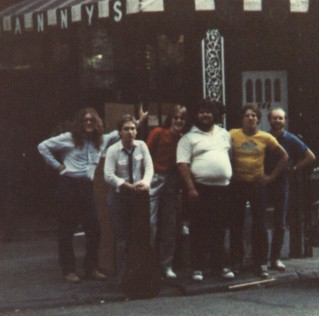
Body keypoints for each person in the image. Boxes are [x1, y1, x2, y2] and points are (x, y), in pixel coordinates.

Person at [38, 107, 121, 283]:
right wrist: (58, 166)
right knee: (66, 229)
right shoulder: (68, 138)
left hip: (87, 187)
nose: (89, 123)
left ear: (97, 122)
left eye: (92, 120)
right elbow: (43, 146)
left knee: (95, 229)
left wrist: (139, 121)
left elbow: (117, 133)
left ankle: (91, 268)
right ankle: (69, 270)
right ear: (80, 122)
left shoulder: (101, 140)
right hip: (69, 186)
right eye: (85, 120)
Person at [177, 99, 234, 282]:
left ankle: (220, 267)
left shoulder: (224, 134)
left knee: (220, 229)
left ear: (215, 114)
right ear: (196, 115)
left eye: (209, 112)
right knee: (199, 230)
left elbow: (229, 156)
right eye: (201, 112)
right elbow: (183, 165)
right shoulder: (188, 138)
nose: (205, 115)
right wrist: (191, 188)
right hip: (200, 190)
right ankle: (198, 268)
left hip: (223, 189)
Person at [229, 104, 288, 278]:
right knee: (236, 224)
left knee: (260, 225)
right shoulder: (232, 134)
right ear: (242, 118)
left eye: (254, 115)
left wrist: (271, 177)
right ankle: (236, 262)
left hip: (257, 185)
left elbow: (284, 156)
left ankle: (260, 263)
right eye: (247, 115)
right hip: (238, 184)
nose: (251, 118)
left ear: (258, 119)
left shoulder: (265, 137)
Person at [104, 114, 154, 284]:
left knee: (140, 236)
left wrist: (145, 183)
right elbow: (108, 175)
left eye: (133, 128)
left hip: (138, 195)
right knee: (122, 238)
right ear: (119, 132)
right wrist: (126, 185)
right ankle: (123, 278)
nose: (130, 132)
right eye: (126, 129)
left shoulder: (142, 146)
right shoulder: (113, 150)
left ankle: (139, 276)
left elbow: (149, 168)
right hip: (119, 196)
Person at [266, 107, 316, 271]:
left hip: (282, 183)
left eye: (280, 118)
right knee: (260, 220)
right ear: (269, 120)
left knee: (280, 221)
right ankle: (259, 259)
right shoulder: (265, 138)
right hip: (264, 181)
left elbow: (310, 156)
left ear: (285, 121)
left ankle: (275, 258)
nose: (277, 121)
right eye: (274, 118)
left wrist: (294, 168)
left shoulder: (291, 139)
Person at [147, 104, 188, 279]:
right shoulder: (158, 133)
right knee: (151, 223)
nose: (178, 121)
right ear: (170, 118)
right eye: (176, 117)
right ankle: (147, 264)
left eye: (182, 118)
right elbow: (146, 154)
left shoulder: (184, 139)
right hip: (154, 178)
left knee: (170, 225)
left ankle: (167, 265)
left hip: (172, 182)